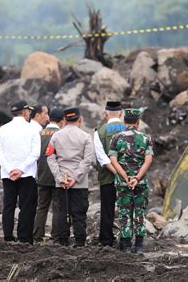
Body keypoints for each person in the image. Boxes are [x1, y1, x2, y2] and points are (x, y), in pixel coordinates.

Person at [0, 100, 41, 244]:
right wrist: (21, 169)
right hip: (27, 174)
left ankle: (8, 236)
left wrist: (9, 168)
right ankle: (24, 237)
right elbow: (35, 153)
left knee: (8, 205)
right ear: (25, 112)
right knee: (26, 206)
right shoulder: (33, 129)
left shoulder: (3, 129)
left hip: (8, 175)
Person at [46, 107, 95, 247]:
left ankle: (63, 241)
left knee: (62, 212)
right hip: (79, 183)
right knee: (79, 213)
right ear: (80, 119)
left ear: (65, 120)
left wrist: (60, 177)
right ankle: (80, 242)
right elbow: (88, 160)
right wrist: (76, 177)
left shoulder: (56, 136)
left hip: (62, 182)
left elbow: (50, 158)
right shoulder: (85, 136)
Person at [109, 109, 153, 254]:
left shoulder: (116, 138)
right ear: (138, 122)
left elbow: (113, 160)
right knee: (140, 212)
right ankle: (139, 245)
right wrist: (137, 177)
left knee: (124, 212)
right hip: (140, 182)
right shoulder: (146, 138)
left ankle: (126, 245)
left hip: (123, 183)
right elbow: (148, 161)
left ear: (124, 121)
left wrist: (125, 176)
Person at [94, 101, 126, 247]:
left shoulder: (99, 131)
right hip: (129, 178)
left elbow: (101, 158)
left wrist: (115, 172)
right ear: (121, 113)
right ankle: (127, 238)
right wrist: (124, 174)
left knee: (107, 209)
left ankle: (106, 239)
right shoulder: (128, 129)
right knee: (127, 208)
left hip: (108, 177)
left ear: (106, 114)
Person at [33, 108, 65, 243]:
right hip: (56, 175)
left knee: (42, 206)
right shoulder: (61, 134)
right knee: (57, 207)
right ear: (62, 120)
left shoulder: (39, 133)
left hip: (41, 174)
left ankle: (37, 235)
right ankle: (56, 236)